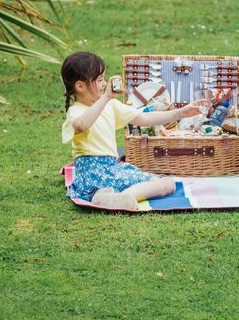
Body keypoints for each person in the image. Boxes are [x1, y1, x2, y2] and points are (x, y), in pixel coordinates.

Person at [61, 51, 204, 210]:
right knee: (165, 184)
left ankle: (111, 197)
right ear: (80, 86)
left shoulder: (110, 105)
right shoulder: (76, 111)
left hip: (110, 170)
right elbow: (82, 125)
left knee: (167, 183)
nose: (104, 83)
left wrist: (180, 113)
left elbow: (144, 119)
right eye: (100, 80)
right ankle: (120, 196)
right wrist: (106, 98)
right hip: (92, 173)